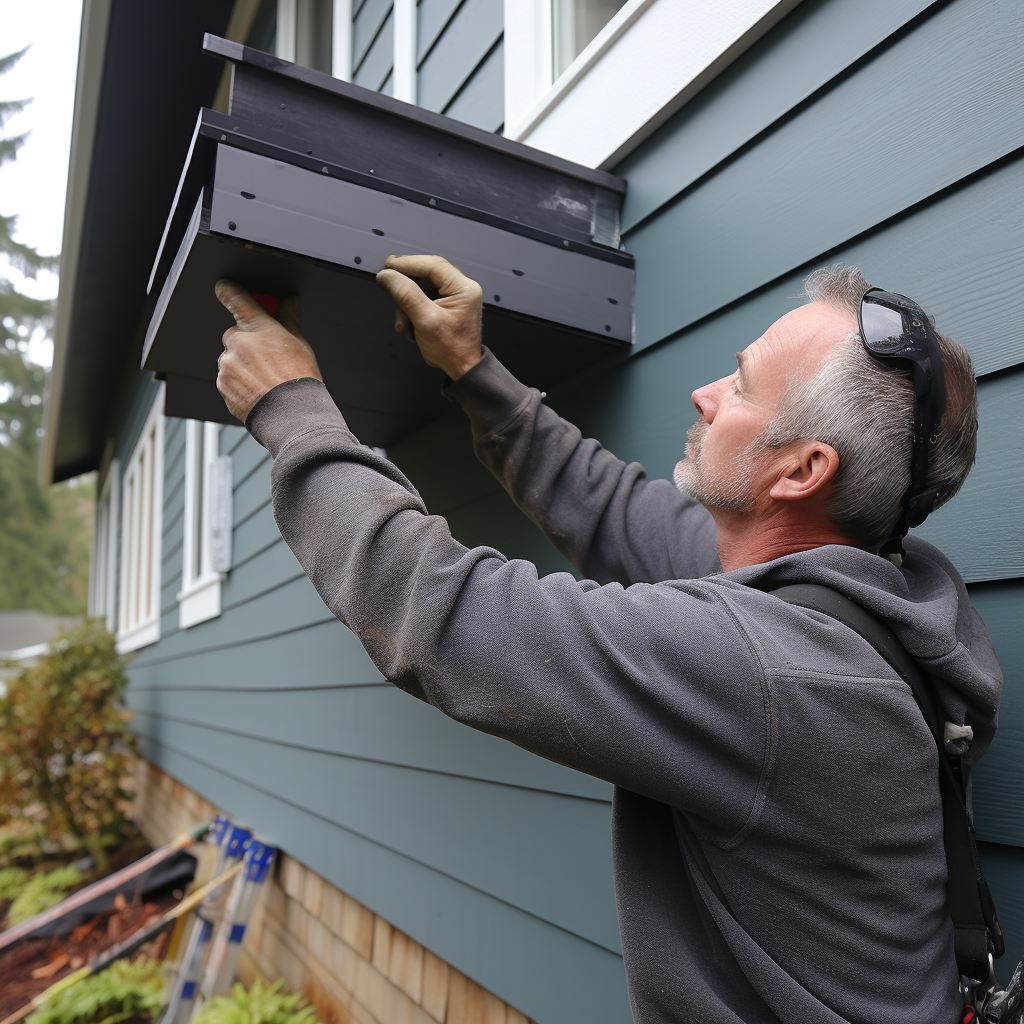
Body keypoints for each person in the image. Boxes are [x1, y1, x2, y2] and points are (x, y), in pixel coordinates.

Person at [213, 257, 1002, 1024]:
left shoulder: (779, 674)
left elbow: (442, 614)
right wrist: (470, 365)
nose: (705, 395)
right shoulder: (867, 602)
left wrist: (292, 406)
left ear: (800, 472)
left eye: (741, 386)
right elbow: (614, 510)